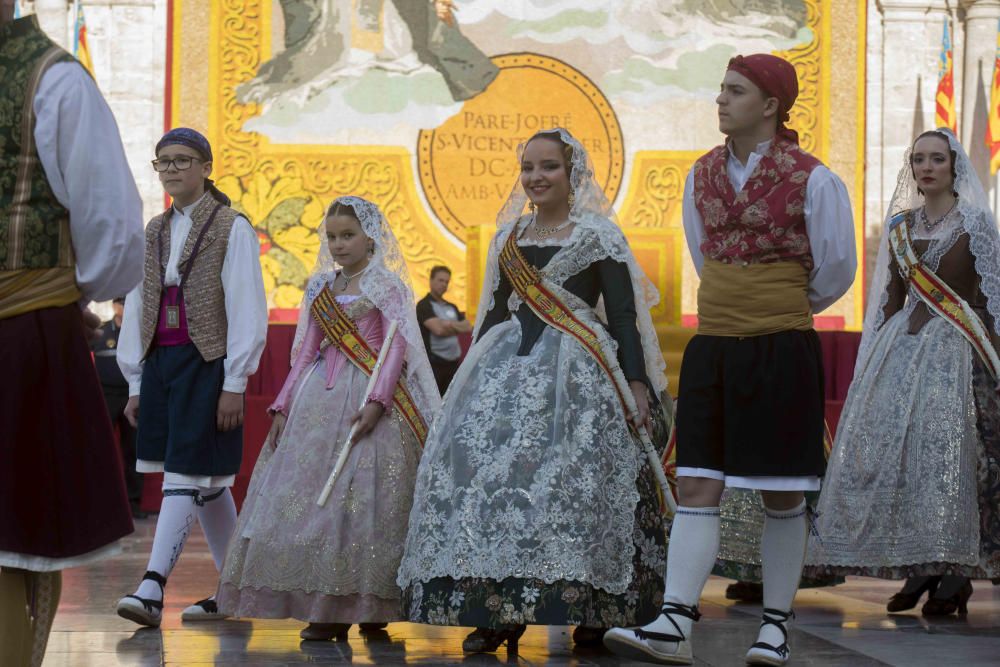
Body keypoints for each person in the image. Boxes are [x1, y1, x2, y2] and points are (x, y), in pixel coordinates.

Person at [604, 53, 855, 666]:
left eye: (735, 91)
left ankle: (774, 627)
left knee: (782, 492)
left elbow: (835, 269)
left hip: (779, 346)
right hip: (714, 345)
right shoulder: (700, 174)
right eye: (721, 89)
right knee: (695, 481)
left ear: (770, 105)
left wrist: (769, 304)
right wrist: (736, 305)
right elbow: (702, 249)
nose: (721, 100)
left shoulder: (815, 178)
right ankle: (674, 622)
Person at [397, 127, 671, 653]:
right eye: (528, 167)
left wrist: (636, 384)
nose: (536, 177)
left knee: (580, 483)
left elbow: (623, 316)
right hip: (507, 373)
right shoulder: (508, 238)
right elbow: (495, 315)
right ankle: (497, 608)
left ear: (573, 175)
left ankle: (595, 606)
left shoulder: (598, 236)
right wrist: (467, 393)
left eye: (549, 167)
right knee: (494, 482)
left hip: (580, 377)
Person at [216, 195, 440, 641]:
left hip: (372, 401)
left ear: (370, 236)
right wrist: (282, 406)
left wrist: (377, 402)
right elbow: (303, 356)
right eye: (331, 236)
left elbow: (396, 348)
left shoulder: (389, 287)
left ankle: (372, 603)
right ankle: (326, 604)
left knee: (364, 505)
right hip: (318, 399)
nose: (338, 244)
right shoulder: (320, 286)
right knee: (316, 501)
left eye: (347, 235)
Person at [0, 7, 145, 666]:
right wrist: (69, 290)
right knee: (13, 542)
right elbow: (112, 230)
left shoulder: (53, 78)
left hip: (21, 333)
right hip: (24, 331)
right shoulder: (53, 80)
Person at [808, 129, 1000, 616]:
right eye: (918, 159)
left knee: (957, 462)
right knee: (910, 459)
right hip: (904, 350)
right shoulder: (899, 228)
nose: (927, 167)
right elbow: (890, 300)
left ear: (954, 166)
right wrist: (873, 360)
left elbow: (993, 301)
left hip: (961, 355)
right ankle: (922, 564)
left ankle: (955, 575)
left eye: (937, 159)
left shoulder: (976, 224)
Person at [115, 128, 268, 628]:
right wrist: (137, 380)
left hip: (209, 363)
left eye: (183, 160)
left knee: (184, 472)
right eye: (164, 162)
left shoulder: (232, 227)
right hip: (163, 363)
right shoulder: (154, 230)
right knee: (206, 481)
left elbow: (247, 306)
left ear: (206, 166)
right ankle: (235, 590)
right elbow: (139, 303)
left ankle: (152, 587)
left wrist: (234, 382)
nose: (173, 169)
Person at [92, 296, 146, 519]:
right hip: (106, 395)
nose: (124, 306)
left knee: (133, 449)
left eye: (127, 302)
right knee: (100, 449)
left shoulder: (140, 332)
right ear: (114, 306)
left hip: (131, 395)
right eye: (121, 302)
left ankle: (133, 503)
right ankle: (100, 502)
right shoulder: (101, 331)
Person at [416, 265, 471, 393]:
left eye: (447, 281)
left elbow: (468, 327)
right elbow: (438, 330)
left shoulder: (452, 306)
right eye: (440, 280)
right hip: (434, 365)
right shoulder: (424, 305)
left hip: (453, 363)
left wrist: (448, 324)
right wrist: (457, 326)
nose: (444, 284)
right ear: (431, 280)